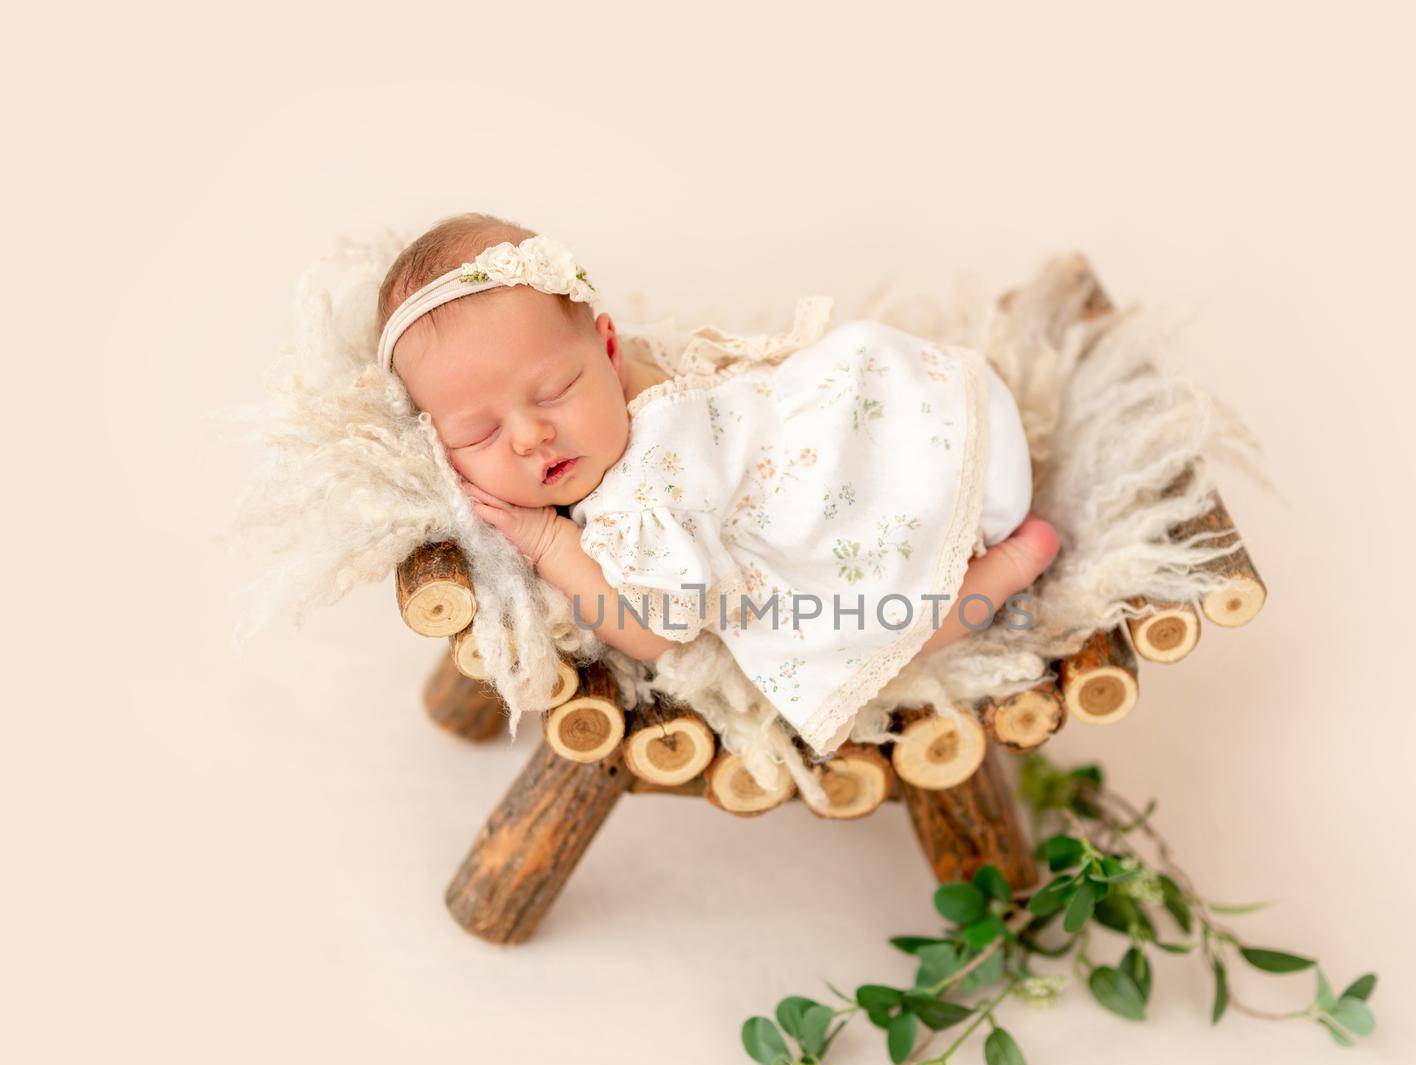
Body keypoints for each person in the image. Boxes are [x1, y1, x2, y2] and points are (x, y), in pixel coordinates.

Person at [377, 213, 1060, 753]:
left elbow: (653, 633)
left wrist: (550, 542)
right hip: (916, 394)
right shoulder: (636, 386)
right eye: (479, 435)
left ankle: (1008, 566)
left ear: (610, 352)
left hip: (898, 490)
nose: (530, 437)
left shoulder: (639, 499)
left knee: (867, 628)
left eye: (556, 391)